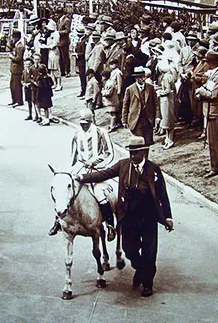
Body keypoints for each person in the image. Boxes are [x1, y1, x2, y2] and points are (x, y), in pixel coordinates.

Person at [75, 135, 173, 297]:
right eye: (130, 152)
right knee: (129, 250)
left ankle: (147, 284)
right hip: (128, 216)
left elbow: (163, 195)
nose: (132, 156)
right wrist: (82, 177)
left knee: (150, 252)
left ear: (144, 152)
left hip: (148, 216)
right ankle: (141, 269)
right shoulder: (123, 166)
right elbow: (103, 174)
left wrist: (168, 217)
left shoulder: (153, 169)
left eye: (135, 153)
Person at [48, 109, 115, 239]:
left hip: (97, 169)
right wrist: (70, 170)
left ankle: (109, 225)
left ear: (91, 121)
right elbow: (74, 155)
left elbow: (109, 154)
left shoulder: (102, 133)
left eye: (86, 123)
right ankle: (58, 220)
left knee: (100, 193)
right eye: (81, 123)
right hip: (80, 167)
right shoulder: (77, 134)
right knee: (63, 188)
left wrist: (95, 162)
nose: (83, 126)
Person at [195, 50, 218, 177]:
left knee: (215, 141)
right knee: (211, 140)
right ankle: (214, 164)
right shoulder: (212, 74)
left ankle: (217, 166)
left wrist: (201, 91)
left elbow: (213, 94)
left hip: (214, 111)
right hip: (207, 110)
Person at [122, 66, 160, 145]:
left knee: (148, 142)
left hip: (148, 119)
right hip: (135, 120)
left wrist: (157, 117)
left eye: (144, 77)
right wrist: (124, 120)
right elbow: (125, 106)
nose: (143, 79)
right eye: (140, 77)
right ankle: (140, 157)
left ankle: (146, 157)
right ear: (136, 78)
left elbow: (156, 103)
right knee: (139, 142)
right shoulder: (130, 89)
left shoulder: (150, 88)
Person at [8, 30, 24, 107]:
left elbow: (18, 58)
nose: (13, 39)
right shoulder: (16, 46)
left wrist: (11, 57)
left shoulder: (20, 46)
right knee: (12, 86)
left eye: (14, 37)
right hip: (14, 69)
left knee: (17, 86)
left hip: (18, 69)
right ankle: (14, 100)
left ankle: (19, 100)